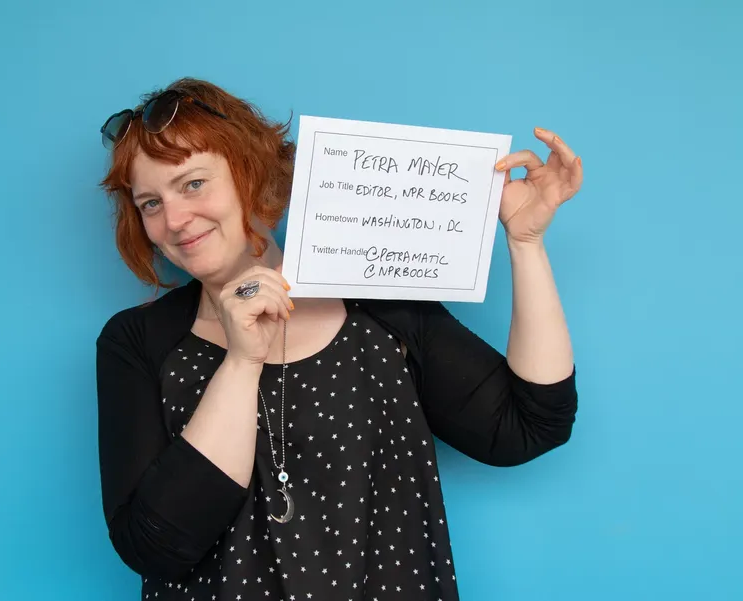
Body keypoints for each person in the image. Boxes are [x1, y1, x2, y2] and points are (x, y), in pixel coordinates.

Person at [94, 77, 582, 601]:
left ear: (252, 177)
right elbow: (156, 548)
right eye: (150, 203)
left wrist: (526, 243)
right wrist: (240, 360)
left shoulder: (380, 304)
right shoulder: (137, 342)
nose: (174, 219)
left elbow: (529, 424)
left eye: (192, 184)